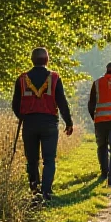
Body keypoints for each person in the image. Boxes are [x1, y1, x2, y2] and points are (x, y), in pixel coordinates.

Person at [11, 47, 74, 201]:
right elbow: (62, 102)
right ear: (47, 60)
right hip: (49, 123)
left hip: (29, 124)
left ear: (32, 60)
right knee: (49, 159)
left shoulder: (21, 79)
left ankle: (35, 190)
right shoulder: (54, 78)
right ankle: (46, 192)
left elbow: (15, 104)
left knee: (32, 159)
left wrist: (23, 117)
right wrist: (69, 122)